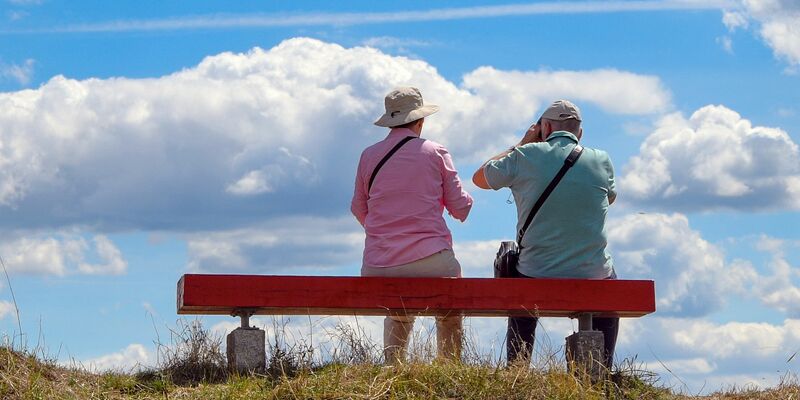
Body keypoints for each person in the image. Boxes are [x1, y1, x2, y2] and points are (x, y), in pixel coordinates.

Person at [471, 99, 619, 370]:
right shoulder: (602, 159)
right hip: (592, 272)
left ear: (545, 127)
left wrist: (522, 143)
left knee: (518, 276)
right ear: (579, 133)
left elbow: (480, 178)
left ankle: (517, 369)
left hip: (536, 271)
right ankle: (601, 370)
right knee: (610, 278)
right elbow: (609, 199)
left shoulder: (525, 155)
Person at [351, 87, 474, 363]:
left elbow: (358, 208)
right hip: (430, 259)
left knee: (398, 309)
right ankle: (449, 366)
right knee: (450, 310)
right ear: (420, 121)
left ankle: (394, 366)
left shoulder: (368, 155)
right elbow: (460, 208)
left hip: (377, 264)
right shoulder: (435, 151)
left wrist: (384, 233)